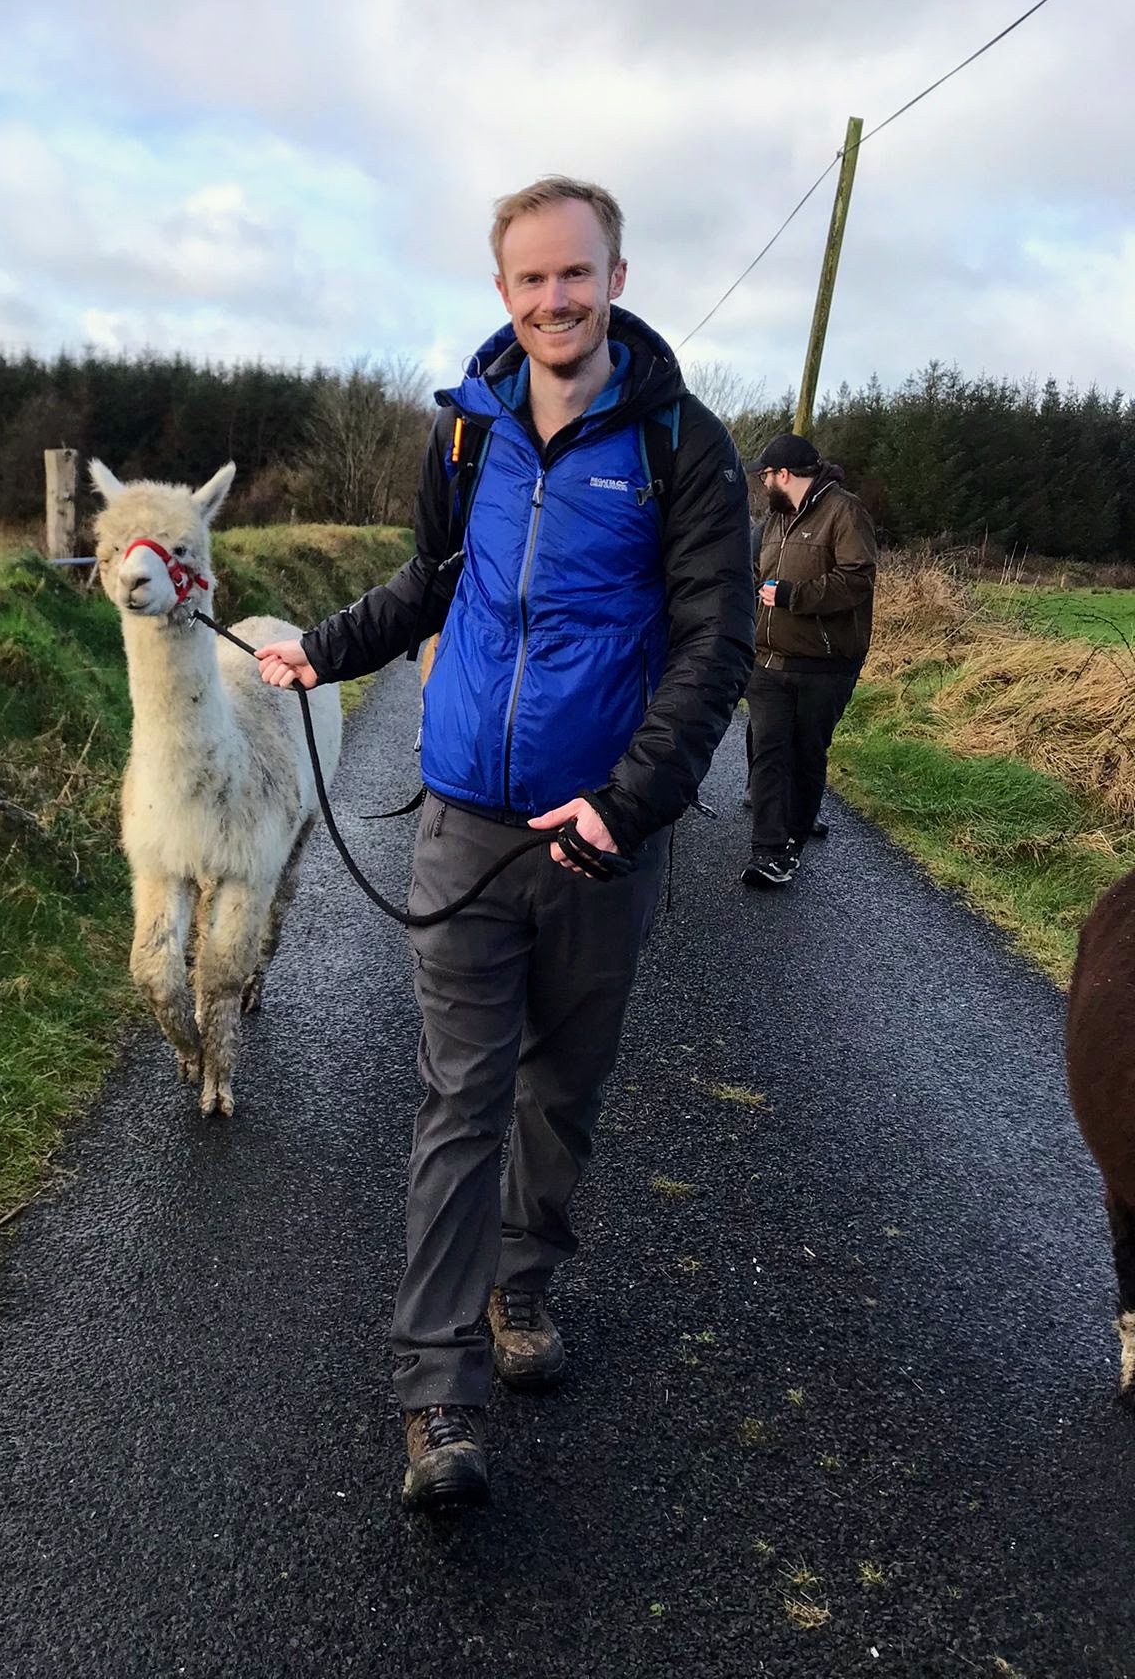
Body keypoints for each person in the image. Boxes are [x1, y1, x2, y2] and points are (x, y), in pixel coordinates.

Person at [253, 175, 754, 1510]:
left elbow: (718, 647)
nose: (555, 300)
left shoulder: (681, 449)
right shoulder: (467, 437)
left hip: (599, 842)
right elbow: (431, 581)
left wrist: (629, 801)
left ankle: (519, 1288)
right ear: (501, 292)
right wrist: (326, 648)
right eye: (530, 280)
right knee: (460, 1097)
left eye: (575, 276)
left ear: (618, 278)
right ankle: (436, 1402)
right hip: (463, 824)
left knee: (559, 1090)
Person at [742, 433, 877, 888]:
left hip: (825, 664)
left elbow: (858, 580)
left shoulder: (845, 511)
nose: (762, 485)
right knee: (768, 752)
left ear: (783, 474)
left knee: (804, 756)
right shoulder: (774, 521)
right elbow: (754, 574)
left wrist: (795, 597)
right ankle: (768, 851)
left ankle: (793, 843)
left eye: (765, 476)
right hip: (767, 660)